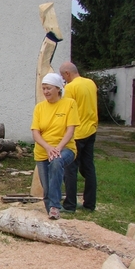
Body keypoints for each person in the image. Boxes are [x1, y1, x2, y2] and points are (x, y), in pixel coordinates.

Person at [31, 73, 80, 220]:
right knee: (47, 189)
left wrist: (58, 148)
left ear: (58, 89)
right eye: (43, 88)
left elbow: (70, 130)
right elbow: (35, 132)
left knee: (57, 161)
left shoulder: (69, 103)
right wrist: (47, 147)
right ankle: (51, 215)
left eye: (48, 88)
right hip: (43, 152)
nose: (45, 92)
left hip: (65, 148)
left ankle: (55, 206)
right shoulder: (39, 108)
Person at [59, 62, 98, 212]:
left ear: (67, 73)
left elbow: (66, 110)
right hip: (91, 130)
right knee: (89, 168)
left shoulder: (70, 87)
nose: (63, 79)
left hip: (76, 133)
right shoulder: (90, 83)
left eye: (63, 76)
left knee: (70, 169)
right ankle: (90, 204)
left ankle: (69, 205)